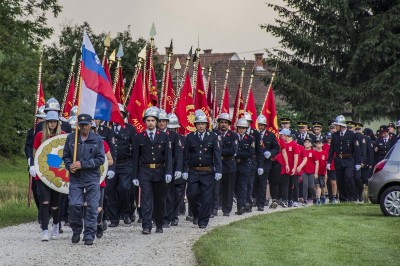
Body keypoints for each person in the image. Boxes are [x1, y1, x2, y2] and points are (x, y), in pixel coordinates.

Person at [63, 114, 105, 245]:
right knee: (74, 204)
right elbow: (65, 156)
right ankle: (76, 229)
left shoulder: (97, 139)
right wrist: (69, 165)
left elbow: (100, 159)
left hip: (92, 177)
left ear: (91, 125)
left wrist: (83, 164)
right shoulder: (71, 138)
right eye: (81, 125)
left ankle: (89, 235)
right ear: (78, 126)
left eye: (86, 124)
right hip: (76, 178)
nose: (84, 127)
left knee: (92, 207)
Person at [132, 107, 172, 234]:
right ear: (145, 122)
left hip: (160, 171)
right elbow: (135, 158)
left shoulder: (164, 136)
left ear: (156, 122)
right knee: (146, 200)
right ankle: (146, 225)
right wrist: (135, 176)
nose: (150, 123)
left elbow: (168, 157)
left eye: (153, 120)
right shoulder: (139, 137)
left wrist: (169, 172)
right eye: (148, 120)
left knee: (160, 200)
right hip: (145, 172)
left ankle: (159, 224)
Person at [183, 110, 222, 229]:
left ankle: (203, 221)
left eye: (202, 124)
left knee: (206, 197)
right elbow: (186, 155)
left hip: (207, 171)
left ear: (206, 125)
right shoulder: (190, 137)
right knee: (191, 194)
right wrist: (184, 170)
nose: (200, 126)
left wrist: (218, 170)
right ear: (195, 125)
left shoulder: (213, 137)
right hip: (193, 171)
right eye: (198, 124)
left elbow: (216, 154)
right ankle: (196, 214)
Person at [33, 111, 65, 241]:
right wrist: (35, 165)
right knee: (44, 201)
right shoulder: (40, 135)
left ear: (57, 123)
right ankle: (45, 230)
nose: (52, 124)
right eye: (50, 121)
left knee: (55, 204)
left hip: (57, 173)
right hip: (43, 173)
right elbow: (36, 152)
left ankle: (56, 226)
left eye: (54, 121)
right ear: (46, 123)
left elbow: (64, 153)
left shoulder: (62, 135)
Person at [108, 103, 137, 227]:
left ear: (124, 115)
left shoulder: (130, 129)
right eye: (116, 113)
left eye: (121, 114)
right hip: (110, 164)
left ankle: (126, 213)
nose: (118, 116)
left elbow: (135, 148)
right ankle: (114, 218)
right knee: (110, 191)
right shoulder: (107, 129)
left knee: (125, 189)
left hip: (125, 163)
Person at [327, 115, 361, 202]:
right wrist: (329, 161)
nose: (335, 127)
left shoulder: (352, 135)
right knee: (340, 180)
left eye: (336, 125)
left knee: (349, 177)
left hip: (349, 159)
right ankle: (343, 198)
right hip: (338, 160)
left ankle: (352, 197)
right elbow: (332, 149)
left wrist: (358, 162)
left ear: (341, 125)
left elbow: (357, 150)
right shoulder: (335, 135)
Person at [90, 122, 114, 239]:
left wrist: (99, 162)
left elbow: (110, 160)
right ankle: (88, 228)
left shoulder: (102, 142)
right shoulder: (77, 143)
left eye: (92, 128)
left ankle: (98, 224)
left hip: (98, 178)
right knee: (85, 204)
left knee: (98, 206)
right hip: (83, 178)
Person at [163, 113, 185, 227]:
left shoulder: (179, 138)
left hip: (175, 169)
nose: (172, 130)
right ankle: (164, 216)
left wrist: (179, 169)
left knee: (174, 195)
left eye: (174, 128)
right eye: (170, 128)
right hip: (164, 168)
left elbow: (180, 155)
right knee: (165, 195)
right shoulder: (162, 135)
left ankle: (173, 215)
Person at [214, 113, 238, 216]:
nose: (223, 124)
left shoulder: (233, 135)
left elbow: (232, 150)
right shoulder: (214, 134)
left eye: (225, 123)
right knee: (215, 188)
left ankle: (226, 209)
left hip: (229, 166)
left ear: (229, 124)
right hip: (216, 165)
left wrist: (218, 152)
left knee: (228, 189)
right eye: (221, 122)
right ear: (218, 123)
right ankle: (214, 208)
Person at [25, 105, 46, 215]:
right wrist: (29, 159)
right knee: (35, 189)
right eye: (39, 118)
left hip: (47, 163)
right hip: (34, 163)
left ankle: (48, 211)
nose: (41, 121)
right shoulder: (32, 131)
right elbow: (28, 146)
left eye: (43, 119)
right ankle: (41, 211)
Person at [256, 114, 280, 211]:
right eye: (259, 125)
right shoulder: (255, 134)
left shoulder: (270, 135)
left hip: (266, 162)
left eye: (262, 125)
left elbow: (277, 148)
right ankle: (254, 199)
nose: (261, 127)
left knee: (262, 183)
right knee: (254, 182)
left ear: (265, 126)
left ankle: (261, 203)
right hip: (256, 161)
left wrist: (270, 153)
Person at [234, 118, 255, 214]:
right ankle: (241, 204)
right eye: (240, 128)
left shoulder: (250, 138)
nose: (241, 130)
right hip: (234, 165)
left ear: (246, 129)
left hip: (245, 165)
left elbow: (250, 153)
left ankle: (241, 207)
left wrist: (237, 153)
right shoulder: (233, 137)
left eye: (243, 128)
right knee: (235, 187)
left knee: (243, 187)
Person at [243, 112, 263, 212]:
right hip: (241, 161)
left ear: (250, 122)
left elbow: (259, 150)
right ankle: (241, 203)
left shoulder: (256, 133)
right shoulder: (238, 132)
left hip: (252, 160)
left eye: (247, 121)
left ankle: (248, 203)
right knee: (241, 183)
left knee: (249, 183)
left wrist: (260, 165)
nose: (244, 123)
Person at [297, 137, 319, 206]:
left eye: (308, 142)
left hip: (311, 171)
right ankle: (305, 200)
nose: (307, 144)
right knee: (305, 185)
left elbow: (317, 162)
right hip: (304, 171)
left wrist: (316, 173)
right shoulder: (302, 151)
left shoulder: (313, 152)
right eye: (305, 142)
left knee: (311, 186)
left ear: (311, 144)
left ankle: (315, 197)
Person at [323, 132, 337, 203]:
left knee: (333, 181)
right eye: (328, 138)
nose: (329, 139)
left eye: (331, 138)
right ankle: (327, 195)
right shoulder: (324, 146)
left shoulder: (336, 145)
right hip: (325, 165)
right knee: (325, 180)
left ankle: (334, 196)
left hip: (333, 165)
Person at [314, 139, 327, 205]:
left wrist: (326, 173)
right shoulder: (314, 152)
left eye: (319, 143)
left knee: (322, 186)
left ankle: (323, 196)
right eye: (317, 143)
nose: (318, 145)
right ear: (315, 145)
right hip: (316, 172)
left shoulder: (324, 153)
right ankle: (318, 199)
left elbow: (326, 163)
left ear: (322, 144)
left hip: (322, 171)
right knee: (317, 185)